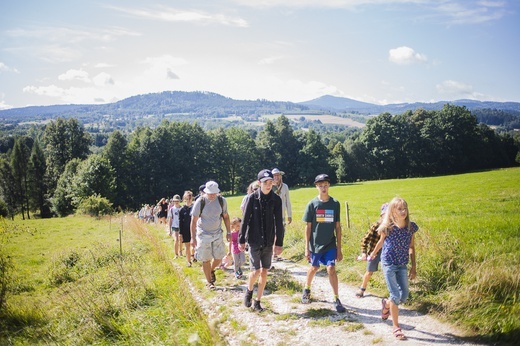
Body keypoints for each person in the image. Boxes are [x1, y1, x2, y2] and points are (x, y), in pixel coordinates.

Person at [368, 196, 418, 341]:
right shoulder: (387, 227)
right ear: (392, 212)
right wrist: (373, 253)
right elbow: (381, 242)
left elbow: (412, 247)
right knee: (395, 295)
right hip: (388, 263)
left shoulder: (411, 227)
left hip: (402, 264)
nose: (403, 212)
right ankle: (396, 327)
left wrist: (413, 266)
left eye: (405, 208)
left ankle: (386, 304)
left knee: (404, 295)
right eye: (399, 209)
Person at [240, 169, 284, 312]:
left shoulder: (276, 200)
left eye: (271, 182)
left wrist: (279, 243)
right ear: (259, 183)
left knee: (264, 272)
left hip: (268, 241)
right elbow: (245, 220)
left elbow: (279, 223)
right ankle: (249, 290)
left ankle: (258, 301)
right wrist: (241, 239)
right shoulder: (252, 199)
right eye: (266, 182)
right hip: (254, 240)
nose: (268, 185)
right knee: (255, 271)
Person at [301, 173, 346, 313]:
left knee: (331, 268)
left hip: (330, 244)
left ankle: (336, 298)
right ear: (316, 187)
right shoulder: (312, 204)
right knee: (314, 267)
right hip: (315, 245)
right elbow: (308, 227)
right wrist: (306, 248)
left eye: (325, 185)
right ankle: (307, 289)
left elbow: (338, 227)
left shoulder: (335, 204)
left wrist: (339, 248)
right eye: (320, 186)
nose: (323, 188)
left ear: (329, 185)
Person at [190, 181, 231, 290]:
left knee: (219, 257)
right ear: (205, 192)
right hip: (203, 234)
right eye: (210, 193)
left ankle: (211, 269)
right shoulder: (200, 202)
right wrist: (193, 238)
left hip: (217, 233)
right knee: (206, 259)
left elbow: (226, 217)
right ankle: (209, 282)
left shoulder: (222, 201)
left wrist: (229, 232)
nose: (212, 195)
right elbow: (193, 221)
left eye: (214, 193)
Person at [355, 202, 389, 298]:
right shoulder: (376, 226)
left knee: (388, 272)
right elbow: (364, 240)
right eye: (385, 215)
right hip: (374, 253)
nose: (387, 218)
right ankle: (362, 288)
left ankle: (392, 292)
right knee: (369, 272)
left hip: (388, 253)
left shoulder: (393, 227)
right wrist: (364, 253)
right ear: (381, 215)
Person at [179, 190, 194, 266]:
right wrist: (180, 233)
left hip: (195, 229)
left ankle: (194, 256)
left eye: (190, 198)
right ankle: (188, 261)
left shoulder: (195, 207)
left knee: (195, 245)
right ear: (184, 199)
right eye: (187, 199)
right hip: (185, 230)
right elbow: (180, 222)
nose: (188, 200)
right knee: (187, 246)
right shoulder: (182, 210)